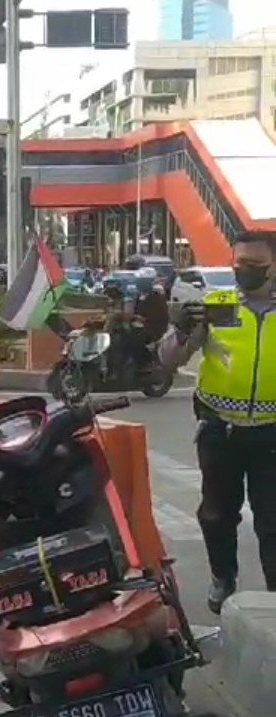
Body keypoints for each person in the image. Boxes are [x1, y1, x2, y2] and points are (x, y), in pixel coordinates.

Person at [163, 231, 276, 614]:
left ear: (273, 266)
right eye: (238, 264)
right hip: (219, 430)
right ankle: (222, 578)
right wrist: (181, 330)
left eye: (254, 266)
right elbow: (168, 361)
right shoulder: (218, 307)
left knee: (273, 520)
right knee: (216, 513)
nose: (244, 272)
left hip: (271, 433)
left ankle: (273, 600)